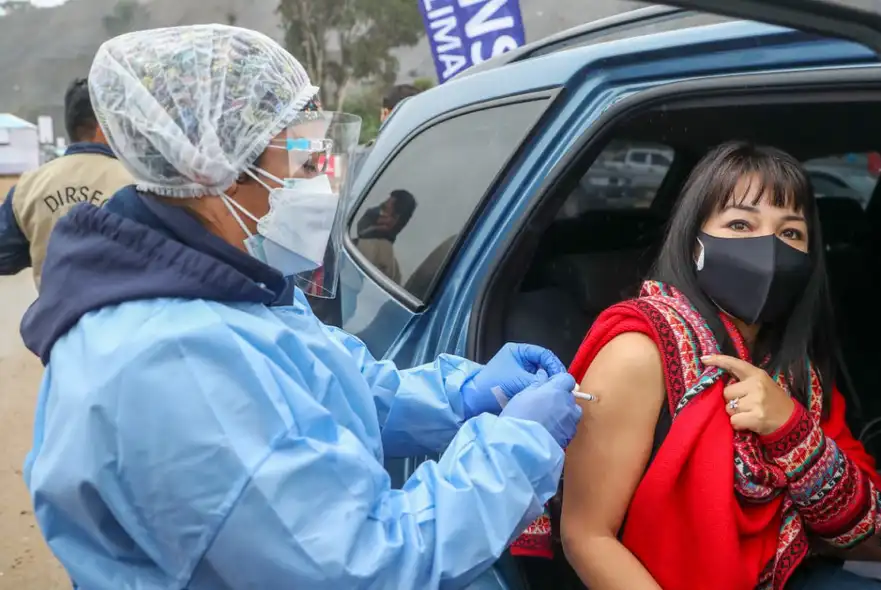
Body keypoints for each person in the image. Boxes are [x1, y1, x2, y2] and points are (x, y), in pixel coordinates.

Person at [19, 25, 582, 590]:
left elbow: (335, 392)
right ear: (208, 170)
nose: (323, 190)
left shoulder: (225, 282)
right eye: (307, 164)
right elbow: (360, 569)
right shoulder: (174, 361)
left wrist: (458, 396)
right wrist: (516, 450)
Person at [533, 142, 881, 589]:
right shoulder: (640, 352)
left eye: (791, 233)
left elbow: (860, 526)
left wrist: (788, 428)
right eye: (740, 224)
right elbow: (586, 537)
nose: (770, 248)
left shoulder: (795, 372)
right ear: (694, 241)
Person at [0, 78, 132, 288]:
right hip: (126, 314)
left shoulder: (29, 187)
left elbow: (4, 256)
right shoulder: (139, 183)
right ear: (102, 125)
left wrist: (42, 243)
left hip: (56, 316)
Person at [352, 188, 416, 282]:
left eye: (383, 208)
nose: (374, 211)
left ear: (394, 220)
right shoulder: (394, 267)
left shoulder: (371, 249)